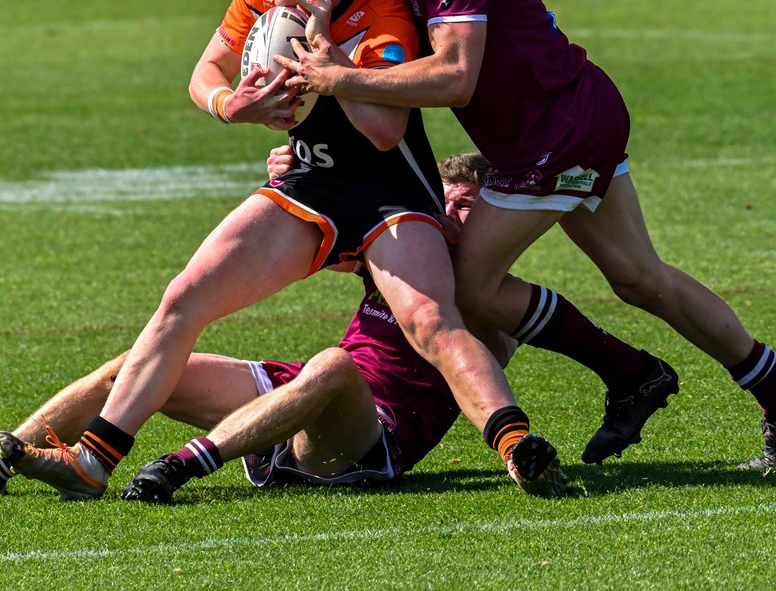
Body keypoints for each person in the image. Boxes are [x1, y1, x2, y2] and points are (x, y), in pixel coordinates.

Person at [0, 0, 572, 502]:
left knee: (430, 318)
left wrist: (326, 54)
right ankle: (80, 461)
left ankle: (514, 443)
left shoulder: (380, 10)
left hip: (390, 196)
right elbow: (206, 72)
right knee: (184, 297)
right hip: (309, 185)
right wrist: (230, 105)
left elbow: (385, 133)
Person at [275, 0, 776, 471]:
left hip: (560, 132)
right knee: (640, 279)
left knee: (471, 288)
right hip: (555, 126)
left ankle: (630, 373)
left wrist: (338, 80)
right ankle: (767, 388)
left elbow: (454, 76)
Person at [0, 152, 516, 502]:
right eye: (444, 199)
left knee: (333, 364)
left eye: (467, 205)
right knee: (133, 367)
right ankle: (8, 453)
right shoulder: (403, 257)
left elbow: (482, 345)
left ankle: (184, 464)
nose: (450, 211)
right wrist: (297, 176)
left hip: (366, 437)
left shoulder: (495, 298)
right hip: (298, 395)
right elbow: (324, 229)